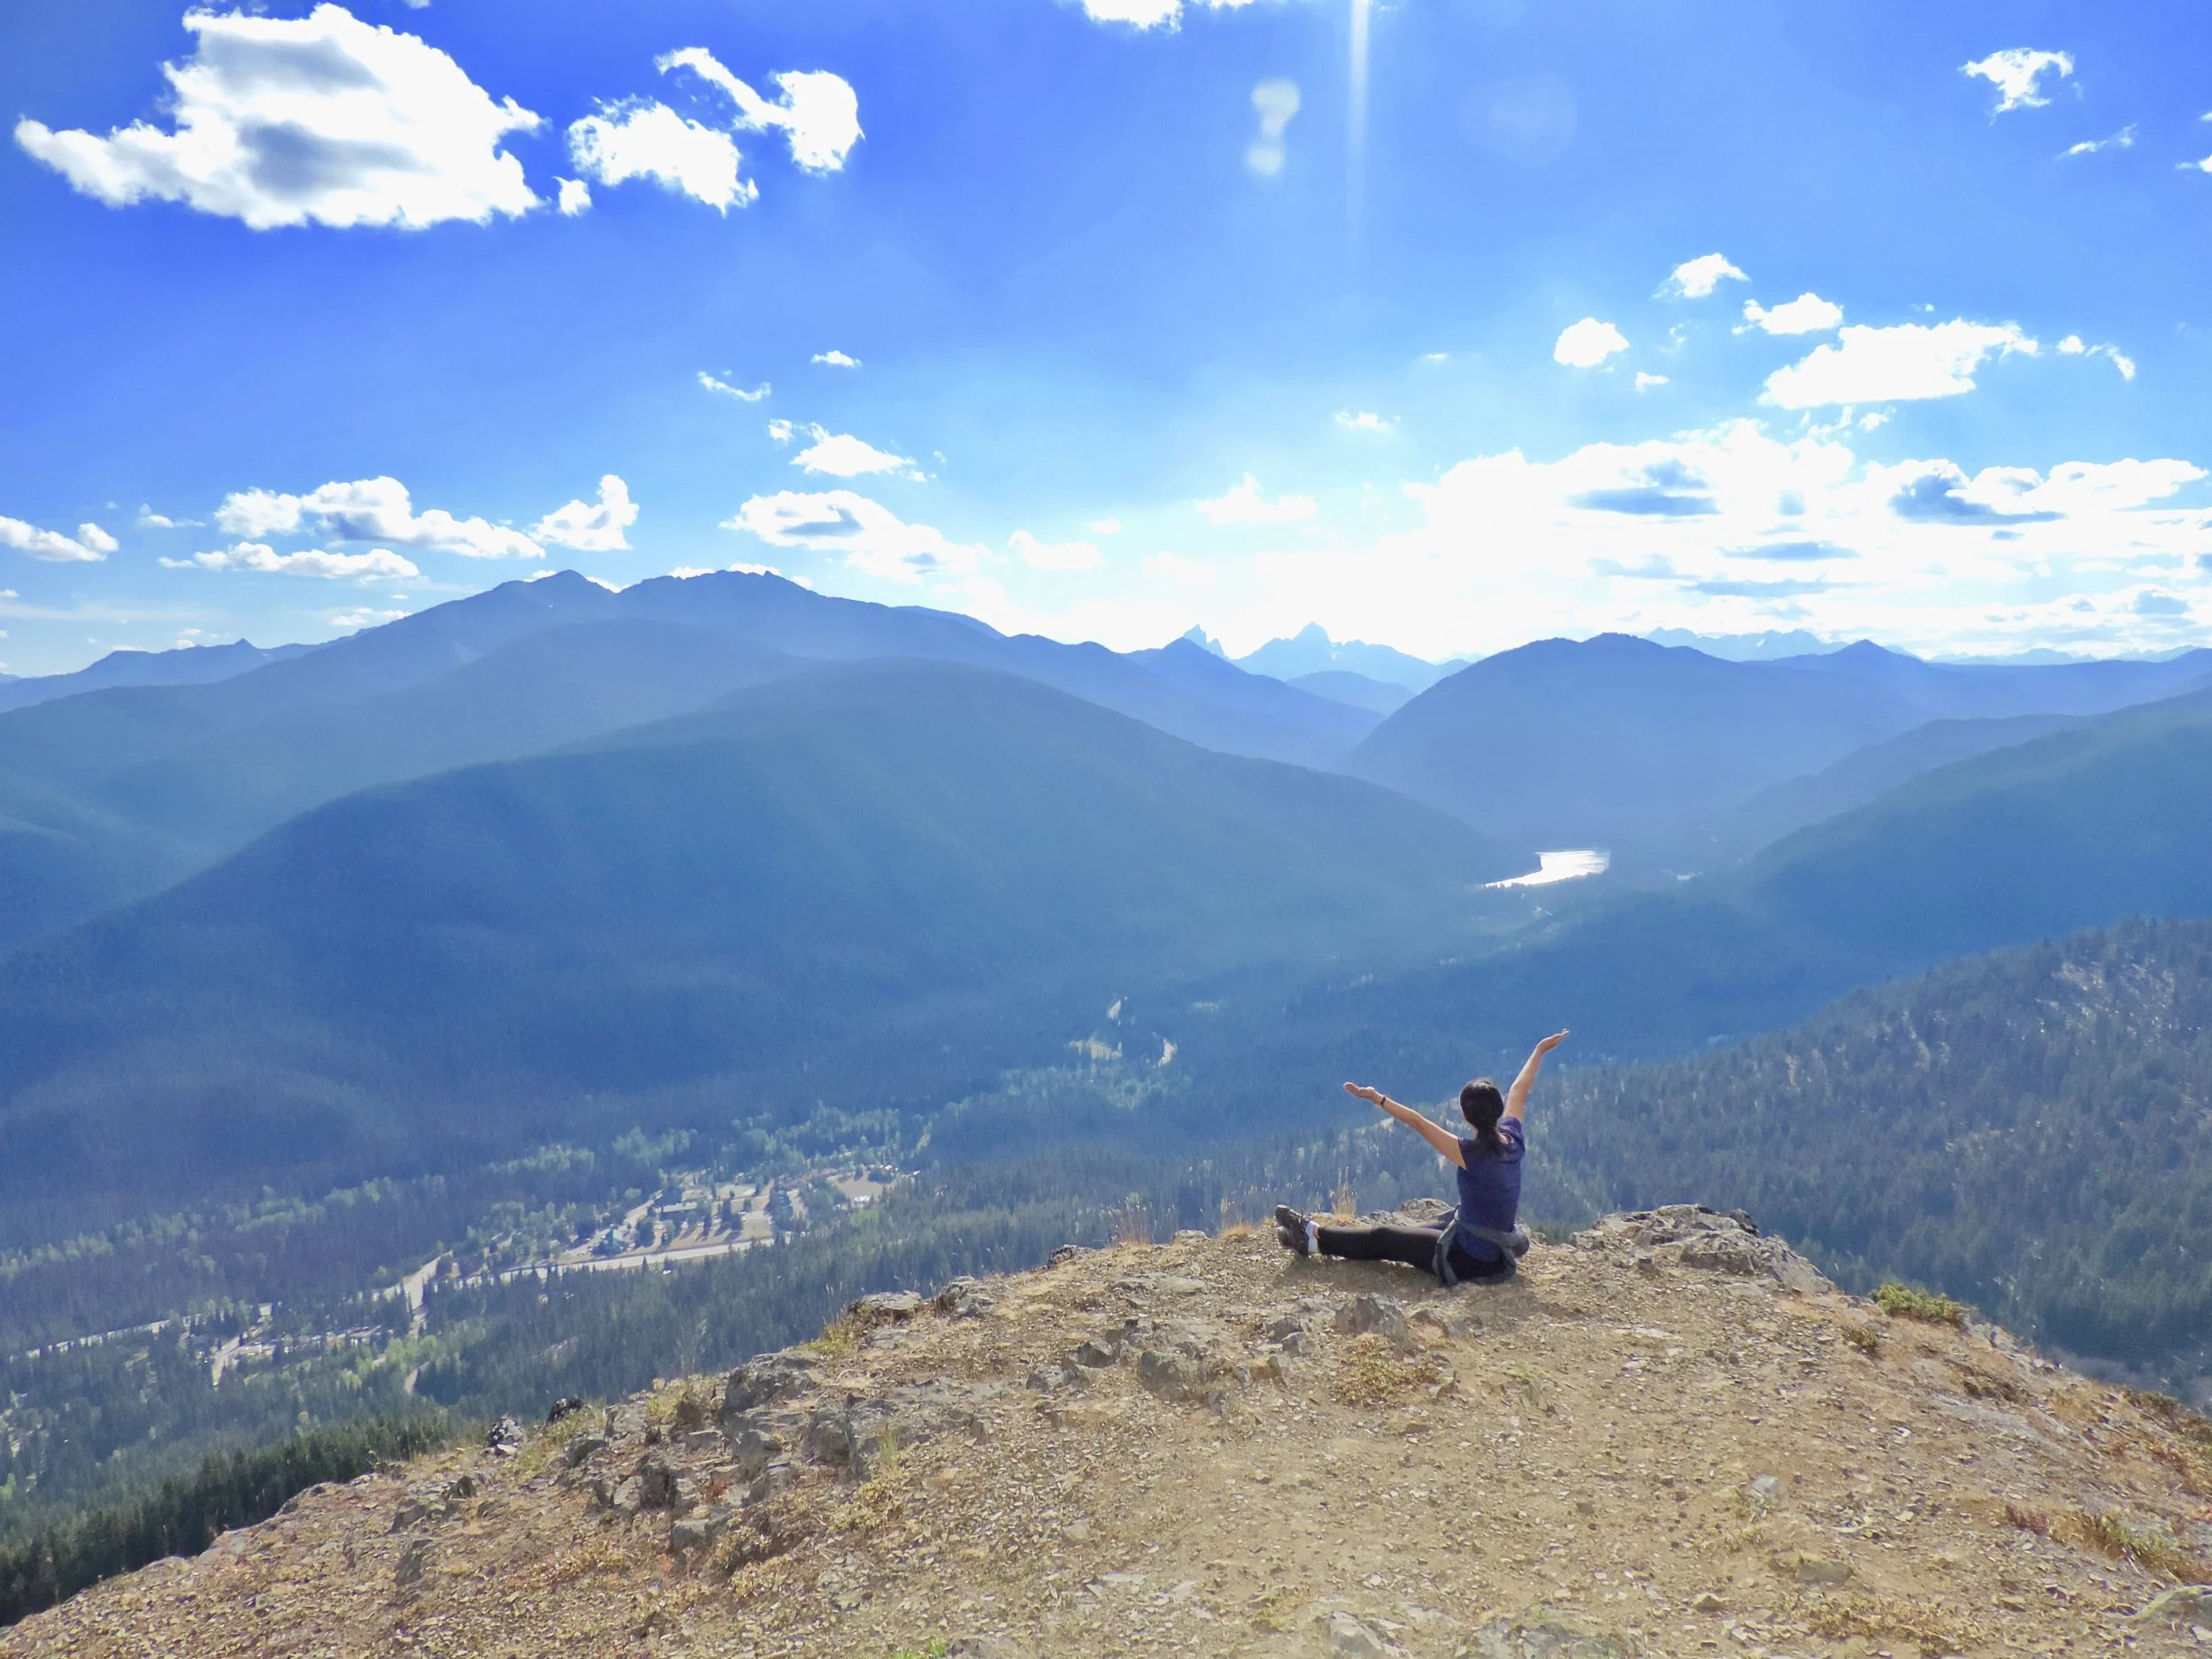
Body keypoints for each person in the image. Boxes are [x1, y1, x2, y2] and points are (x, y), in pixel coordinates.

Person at [1276, 1031, 1569, 1286]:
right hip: (1480, 1239)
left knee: (1386, 1237)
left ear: (1466, 1116)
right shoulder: (1512, 1139)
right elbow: (1520, 1089)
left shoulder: (1470, 1153)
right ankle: (1312, 1237)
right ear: (1497, 1110)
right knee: (1404, 1234)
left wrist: (1377, 1098)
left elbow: (1417, 1122)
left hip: (1471, 1259)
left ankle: (1313, 1237)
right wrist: (1540, 1050)